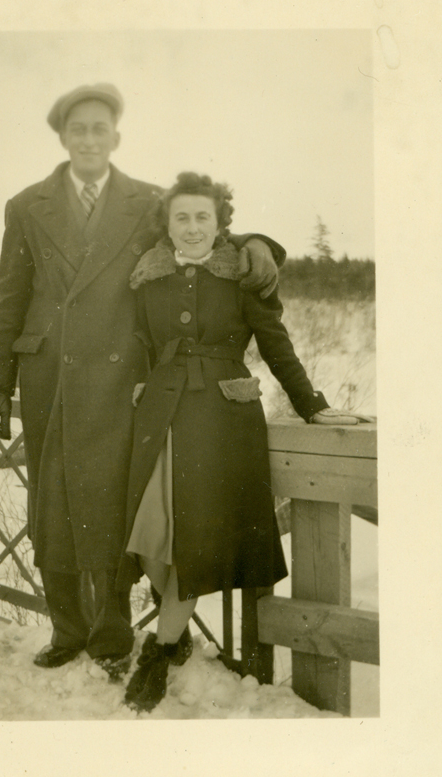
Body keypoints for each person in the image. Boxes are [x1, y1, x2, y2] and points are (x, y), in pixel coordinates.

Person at [0, 84, 285, 679]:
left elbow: (203, 234)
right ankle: (65, 627)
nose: (89, 139)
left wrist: (259, 244)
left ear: (116, 137)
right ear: (64, 138)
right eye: (79, 130)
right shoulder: (26, 205)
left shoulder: (147, 200)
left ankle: (113, 624)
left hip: (124, 375)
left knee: (114, 494)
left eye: (100, 129)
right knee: (53, 500)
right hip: (51, 375)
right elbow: (10, 297)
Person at [118, 172, 370, 712]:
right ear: (167, 223)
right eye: (180, 217)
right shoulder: (149, 277)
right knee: (149, 541)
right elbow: (138, 342)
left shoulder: (242, 274)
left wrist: (313, 405)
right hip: (159, 417)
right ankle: (177, 630)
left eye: (202, 217)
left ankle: (159, 653)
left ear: (220, 222)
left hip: (219, 426)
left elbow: (277, 344)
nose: (191, 228)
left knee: (190, 546)